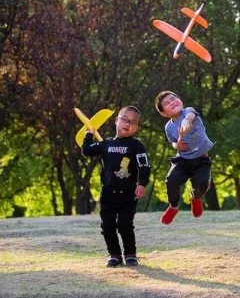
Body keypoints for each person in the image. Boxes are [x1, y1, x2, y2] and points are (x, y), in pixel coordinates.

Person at [81, 106, 151, 268]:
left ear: (136, 127)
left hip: (128, 194)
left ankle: (131, 255)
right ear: (117, 121)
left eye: (132, 122)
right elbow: (86, 151)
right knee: (107, 226)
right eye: (124, 120)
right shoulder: (105, 144)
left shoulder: (136, 145)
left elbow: (144, 166)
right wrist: (89, 134)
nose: (127, 124)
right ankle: (114, 255)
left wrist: (142, 184)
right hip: (108, 194)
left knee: (125, 225)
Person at [155, 91, 214, 225]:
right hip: (182, 160)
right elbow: (173, 142)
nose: (172, 102)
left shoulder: (188, 111)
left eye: (173, 98)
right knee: (171, 180)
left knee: (202, 186)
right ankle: (173, 207)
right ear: (164, 113)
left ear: (180, 100)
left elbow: (189, 117)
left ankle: (195, 198)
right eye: (167, 103)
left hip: (201, 160)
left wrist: (186, 121)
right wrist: (177, 145)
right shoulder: (169, 127)